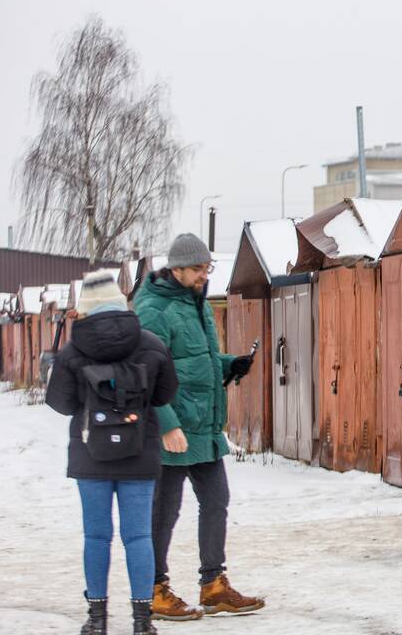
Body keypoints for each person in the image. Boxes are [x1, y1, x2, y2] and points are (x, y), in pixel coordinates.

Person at [133, 233, 264, 621]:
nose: (204, 276)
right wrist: (166, 425)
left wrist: (228, 364)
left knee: (217, 501)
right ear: (176, 269)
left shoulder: (197, 304)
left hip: (204, 427)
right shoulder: (153, 309)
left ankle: (214, 586)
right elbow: (147, 372)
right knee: (164, 511)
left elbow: (194, 361)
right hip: (172, 430)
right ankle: (153, 589)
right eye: (196, 269)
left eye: (207, 268)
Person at [46, 270, 178, 635]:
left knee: (96, 536)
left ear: (85, 307)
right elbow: (166, 394)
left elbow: (60, 402)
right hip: (140, 453)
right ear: (120, 301)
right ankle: (142, 621)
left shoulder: (73, 350)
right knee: (138, 537)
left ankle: (97, 619)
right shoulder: (150, 343)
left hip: (91, 455)